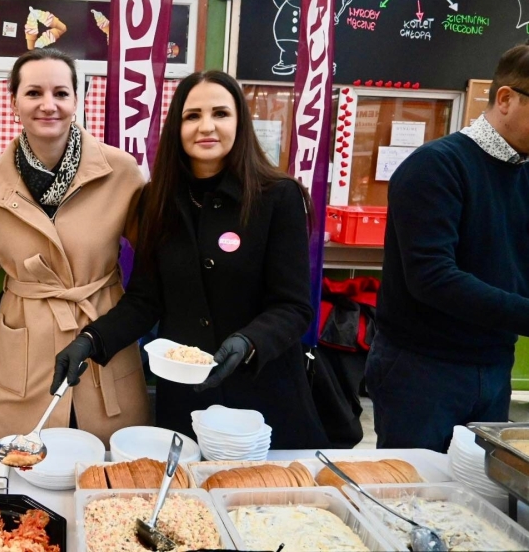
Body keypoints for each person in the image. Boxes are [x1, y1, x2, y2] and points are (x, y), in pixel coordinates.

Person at [50, 70, 329, 449]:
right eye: (192, 115)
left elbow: (293, 307)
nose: (206, 126)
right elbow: (145, 301)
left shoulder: (278, 197)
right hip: (185, 399)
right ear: (176, 128)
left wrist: (248, 341)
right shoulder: (156, 201)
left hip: (263, 397)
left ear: (240, 123)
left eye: (221, 114)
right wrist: (91, 340)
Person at [0, 48, 150, 445]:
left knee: (111, 467)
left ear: (77, 100)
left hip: (101, 327)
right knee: (24, 461)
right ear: (13, 102)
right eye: (33, 93)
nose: (48, 105)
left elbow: (156, 259)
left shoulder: (120, 171)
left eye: (60, 93)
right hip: (26, 340)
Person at [367, 43, 529, 453]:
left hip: (495, 362)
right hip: (422, 367)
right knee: (414, 484)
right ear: (506, 99)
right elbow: (433, 278)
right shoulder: (435, 166)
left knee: (482, 483)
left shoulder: (523, 173)